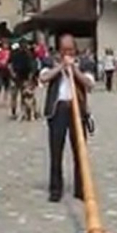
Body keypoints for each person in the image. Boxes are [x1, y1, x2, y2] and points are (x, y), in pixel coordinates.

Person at [39, 33, 96, 203]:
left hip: (77, 108)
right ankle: (56, 189)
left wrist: (75, 70)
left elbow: (90, 83)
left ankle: (81, 188)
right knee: (56, 151)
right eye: (64, 50)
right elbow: (43, 77)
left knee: (79, 151)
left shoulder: (85, 62)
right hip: (57, 109)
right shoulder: (50, 61)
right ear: (59, 50)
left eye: (70, 50)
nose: (68, 53)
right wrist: (60, 68)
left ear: (75, 49)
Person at [9, 39, 36, 119]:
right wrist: (12, 73)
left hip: (24, 77)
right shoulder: (15, 53)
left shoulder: (29, 54)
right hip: (16, 76)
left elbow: (32, 67)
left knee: (23, 96)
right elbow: (10, 64)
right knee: (15, 95)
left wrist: (30, 78)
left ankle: (22, 113)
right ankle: (14, 111)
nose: (24, 47)